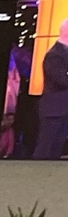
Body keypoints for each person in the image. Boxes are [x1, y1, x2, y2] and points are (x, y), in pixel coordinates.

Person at [37, 19, 68, 160]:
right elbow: (62, 80)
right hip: (54, 110)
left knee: (56, 150)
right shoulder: (54, 55)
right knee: (45, 150)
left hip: (63, 110)